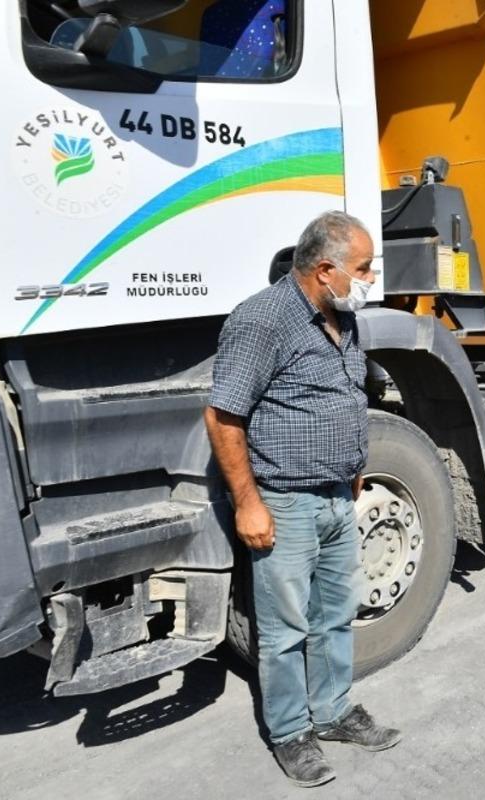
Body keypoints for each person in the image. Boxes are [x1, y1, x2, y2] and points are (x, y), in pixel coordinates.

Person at [205, 211, 401, 788]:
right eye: (363, 269)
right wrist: (248, 502)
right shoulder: (263, 321)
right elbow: (223, 416)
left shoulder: (342, 317)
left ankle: (335, 712)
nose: (369, 279)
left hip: (339, 496)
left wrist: (354, 464)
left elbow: (343, 394)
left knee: (335, 616)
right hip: (285, 502)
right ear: (325, 269)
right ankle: (291, 733)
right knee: (286, 628)